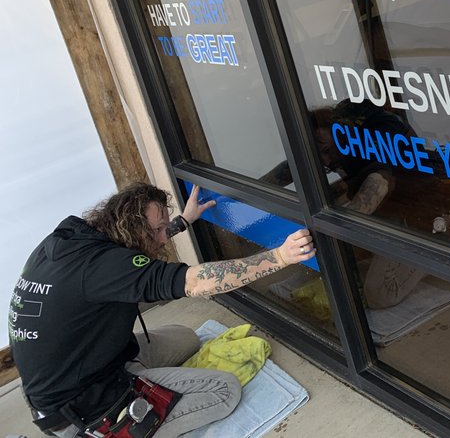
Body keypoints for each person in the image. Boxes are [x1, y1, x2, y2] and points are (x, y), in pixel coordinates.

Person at [8, 182, 317, 438]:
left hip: (81, 367)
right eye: (157, 230)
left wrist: (182, 222)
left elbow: (134, 251)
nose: (162, 238)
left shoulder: (71, 239)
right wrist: (280, 257)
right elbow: (196, 282)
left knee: (186, 338)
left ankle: (144, 381)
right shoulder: (105, 267)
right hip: (82, 406)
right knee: (224, 391)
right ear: (131, 228)